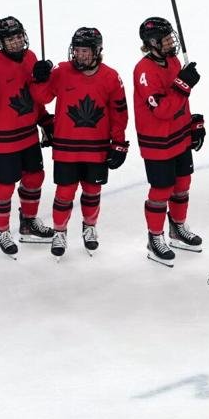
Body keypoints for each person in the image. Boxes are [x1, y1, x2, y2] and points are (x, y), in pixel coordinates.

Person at [30, 27, 129, 259]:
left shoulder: (111, 77)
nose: (80, 55)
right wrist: (39, 78)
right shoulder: (61, 71)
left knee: (92, 191)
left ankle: (90, 227)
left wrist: (119, 142)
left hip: (97, 147)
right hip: (66, 147)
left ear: (97, 51)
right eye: (77, 50)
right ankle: (59, 231)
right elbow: (42, 97)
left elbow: (119, 114)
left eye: (85, 51)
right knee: (64, 192)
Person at [0, 16, 55, 258]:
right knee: (4, 186)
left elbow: (37, 97)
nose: (15, 42)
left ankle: (28, 222)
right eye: (9, 39)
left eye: (17, 36)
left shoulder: (31, 57)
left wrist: (44, 117)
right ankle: (2, 230)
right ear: (1, 42)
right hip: (1, 138)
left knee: (35, 177)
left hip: (28, 133)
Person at [131, 17, 203, 266]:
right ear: (152, 43)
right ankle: (155, 238)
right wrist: (184, 84)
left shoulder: (173, 61)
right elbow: (162, 110)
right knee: (161, 190)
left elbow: (180, 101)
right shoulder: (144, 71)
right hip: (157, 141)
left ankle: (177, 228)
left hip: (179, 135)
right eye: (166, 39)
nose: (172, 42)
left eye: (171, 37)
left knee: (182, 184)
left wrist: (192, 123)